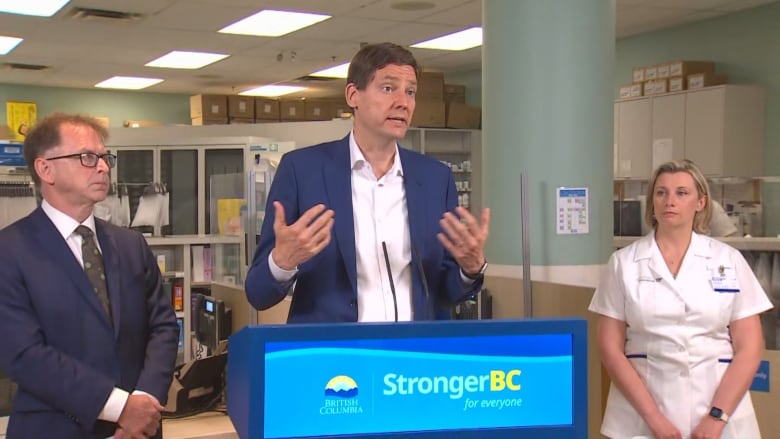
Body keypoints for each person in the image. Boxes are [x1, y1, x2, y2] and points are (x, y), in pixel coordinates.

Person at [244, 42, 490, 323]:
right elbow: (258, 294)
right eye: (388, 88)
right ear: (353, 95)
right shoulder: (302, 171)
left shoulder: (435, 179)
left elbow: (445, 293)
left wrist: (469, 270)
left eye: (410, 92)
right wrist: (282, 262)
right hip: (334, 361)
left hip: (413, 360)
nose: (403, 102)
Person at [0, 113, 179, 439]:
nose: (103, 167)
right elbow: (23, 353)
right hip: (53, 428)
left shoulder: (130, 244)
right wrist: (119, 406)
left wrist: (144, 400)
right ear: (45, 169)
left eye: (104, 157)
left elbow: (163, 326)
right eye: (87, 157)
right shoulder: (9, 251)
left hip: (140, 429)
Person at [590, 159, 772, 439]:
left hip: (721, 416)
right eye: (661, 193)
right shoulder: (624, 264)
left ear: (700, 202)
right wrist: (655, 419)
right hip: (642, 418)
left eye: (681, 193)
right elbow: (610, 349)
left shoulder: (728, 260)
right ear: (652, 202)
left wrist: (716, 418)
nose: (669, 201)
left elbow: (750, 347)